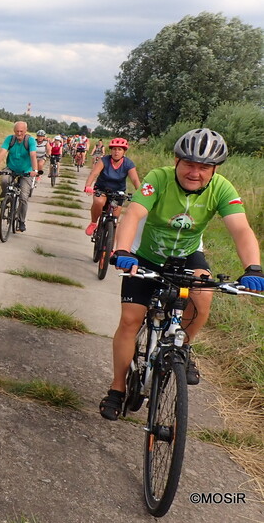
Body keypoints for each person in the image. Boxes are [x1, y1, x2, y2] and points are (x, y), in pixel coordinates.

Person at [99, 128, 264, 421]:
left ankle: (183, 348)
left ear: (214, 170)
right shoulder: (158, 179)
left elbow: (240, 228)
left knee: (202, 297)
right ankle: (117, 388)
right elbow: (133, 214)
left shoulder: (222, 188)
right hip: (145, 253)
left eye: (204, 167)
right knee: (130, 320)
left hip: (187, 253)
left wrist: (253, 267)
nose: (195, 172)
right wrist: (122, 250)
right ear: (176, 160)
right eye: (188, 163)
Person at [83, 137, 141, 236]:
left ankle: (109, 243)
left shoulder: (128, 164)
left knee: (115, 220)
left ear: (124, 152)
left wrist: (140, 193)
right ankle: (93, 223)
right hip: (102, 189)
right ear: (111, 150)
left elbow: (135, 180)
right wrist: (88, 186)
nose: (116, 152)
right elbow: (94, 173)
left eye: (119, 149)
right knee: (98, 202)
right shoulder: (104, 160)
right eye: (114, 149)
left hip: (118, 192)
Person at [0, 121, 38, 232]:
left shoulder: (30, 141)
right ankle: (4, 199)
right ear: (14, 131)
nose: (19, 133)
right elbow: (2, 153)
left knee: (23, 197)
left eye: (21, 131)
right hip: (11, 168)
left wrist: (34, 170)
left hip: (27, 171)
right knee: (4, 180)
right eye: (17, 131)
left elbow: (33, 154)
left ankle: (21, 221)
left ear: (26, 131)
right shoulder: (10, 139)